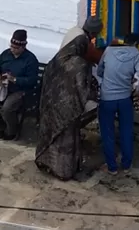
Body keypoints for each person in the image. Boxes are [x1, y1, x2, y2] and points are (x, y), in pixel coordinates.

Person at [35, 31, 95, 180]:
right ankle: (63, 171)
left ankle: (45, 162)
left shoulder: (57, 59)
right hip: (69, 108)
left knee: (49, 135)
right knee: (66, 140)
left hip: (50, 104)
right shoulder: (80, 64)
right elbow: (83, 88)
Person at [94, 30, 139, 173]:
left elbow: (99, 71)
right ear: (136, 44)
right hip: (124, 98)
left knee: (107, 132)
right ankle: (126, 165)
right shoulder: (136, 55)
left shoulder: (109, 51)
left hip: (107, 98)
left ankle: (111, 167)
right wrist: (136, 91)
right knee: (126, 131)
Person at [0, 29, 40, 140]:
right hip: (3, 86)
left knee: (8, 107)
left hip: (20, 90)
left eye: (16, 48)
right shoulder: (6, 54)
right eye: (12, 46)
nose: (13, 50)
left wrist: (15, 79)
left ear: (23, 47)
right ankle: (0, 127)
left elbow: (32, 80)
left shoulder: (30, 60)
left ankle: (12, 132)